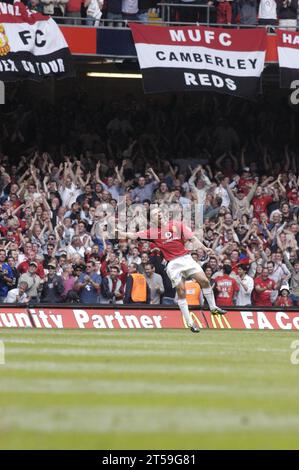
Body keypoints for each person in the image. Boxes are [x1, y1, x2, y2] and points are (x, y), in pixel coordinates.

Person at [120, 208, 226, 333]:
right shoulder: (152, 232)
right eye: (155, 214)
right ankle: (190, 323)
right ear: (152, 220)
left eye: (159, 212)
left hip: (186, 259)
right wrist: (119, 233)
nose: (158, 214)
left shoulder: (177, 225)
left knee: (204, 281)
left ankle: (213, 308)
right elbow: (134, 235)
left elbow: (192, 239)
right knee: (181, 291)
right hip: (172, 263)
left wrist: (205, 248)